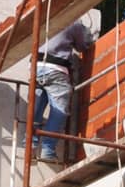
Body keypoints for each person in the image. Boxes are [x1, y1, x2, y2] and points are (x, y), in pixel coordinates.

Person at [34, 9, 102, 163]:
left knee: (36, 106)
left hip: (36, 69)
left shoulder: (42, 18)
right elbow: (83, 45)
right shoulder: (72, 21)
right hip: (56, 69)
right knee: (60, 110)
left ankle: (30, 144)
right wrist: (88, 33)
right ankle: (48, 149)